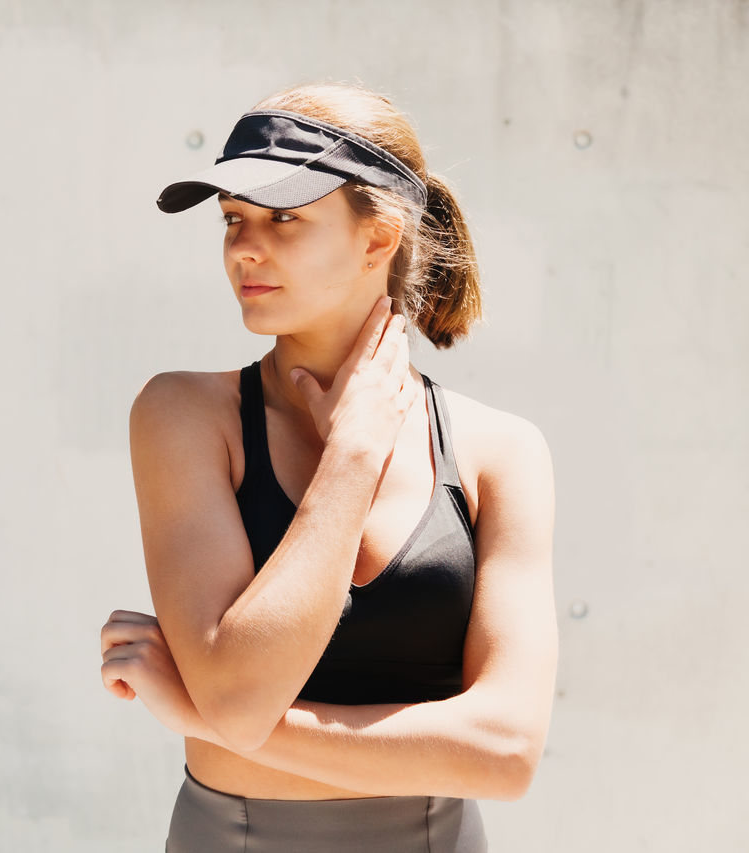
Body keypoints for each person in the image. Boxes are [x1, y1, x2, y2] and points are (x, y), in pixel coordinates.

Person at [99, 80, 557, 852]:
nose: (245, 245)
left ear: (378, 238)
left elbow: (506, 754)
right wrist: (351, 457)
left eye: (285, 217)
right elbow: (241, 696)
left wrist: (201, 715)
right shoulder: (184, 416)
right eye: (235, 219)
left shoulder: (498, 452)